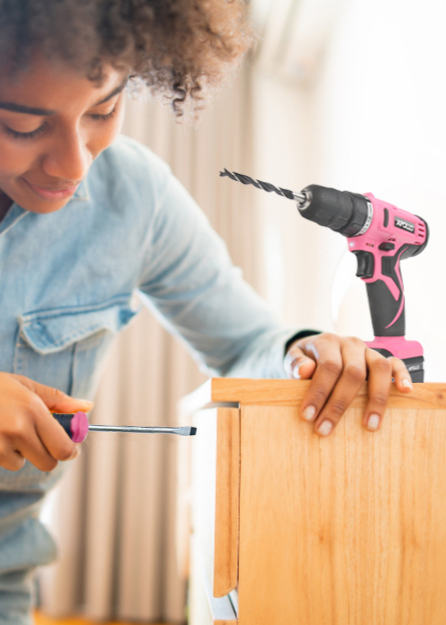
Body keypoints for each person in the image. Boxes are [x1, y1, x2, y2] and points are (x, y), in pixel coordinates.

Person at [0, 1, 408, 620]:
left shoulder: (137, 196)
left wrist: (307, 355)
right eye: (24, 127)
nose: (75, 164)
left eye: (103, 110)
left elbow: (247, 343)